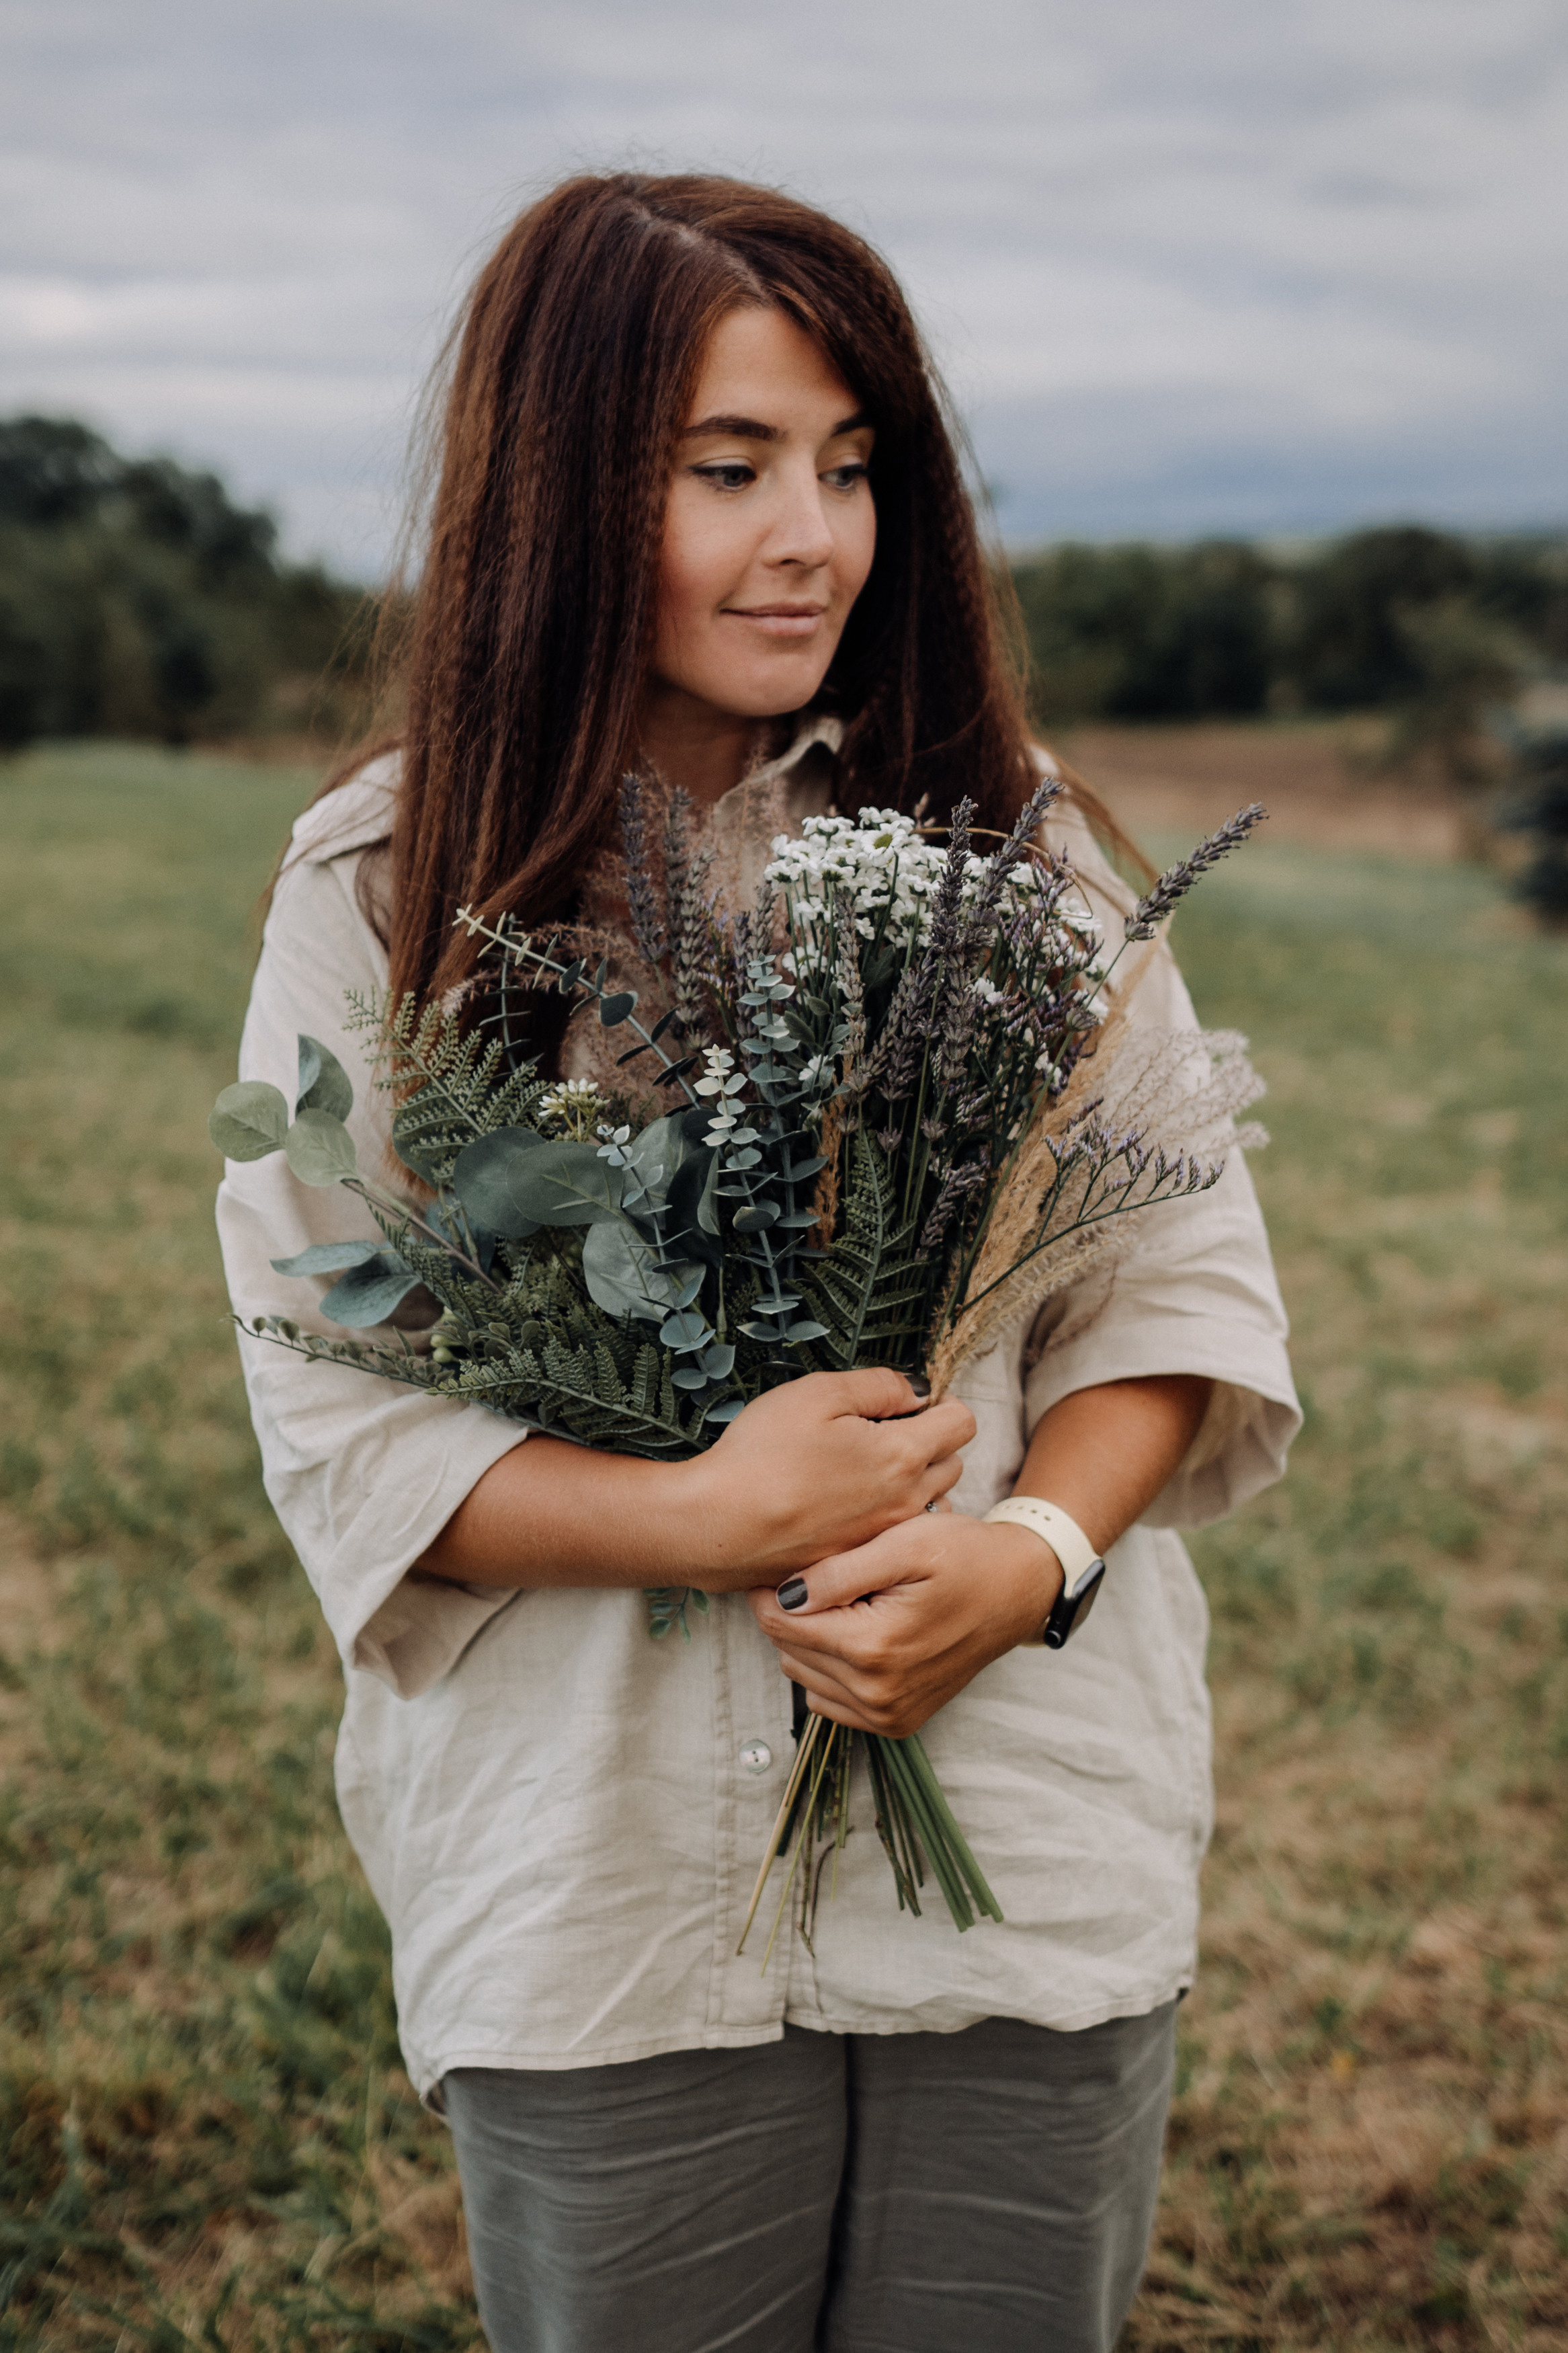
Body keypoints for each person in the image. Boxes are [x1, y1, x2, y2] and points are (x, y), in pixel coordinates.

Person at [216, 173, 1299, 2353]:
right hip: (597, 1869)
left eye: (852, 464)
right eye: (728, 471)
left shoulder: (1012, 847)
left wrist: (1028, 1555)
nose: (811, 534)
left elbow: (1177, 1293)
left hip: (1025, 1814)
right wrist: (702, 1513)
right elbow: (345, 1404)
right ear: (558, 487)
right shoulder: (384, 892)